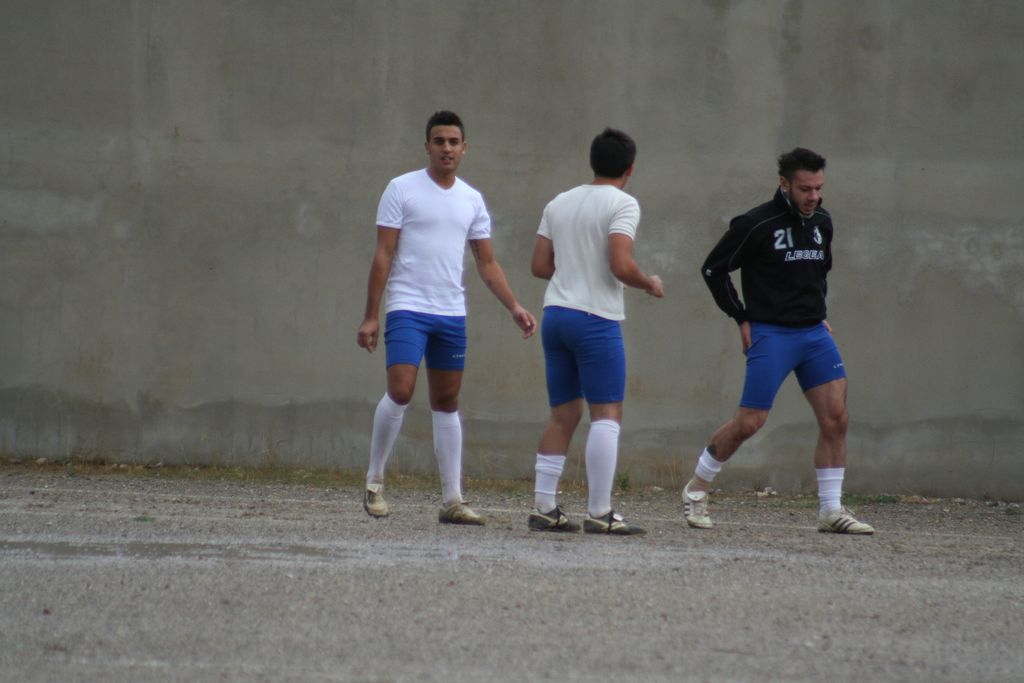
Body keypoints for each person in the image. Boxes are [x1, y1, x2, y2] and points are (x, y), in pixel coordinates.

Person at [356, 110, 537, 525]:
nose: (446, 149)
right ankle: (374, 481)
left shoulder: (471, 199)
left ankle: (452, 500)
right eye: (439, 141)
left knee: (447, 401)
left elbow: (487, 263)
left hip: (451, 312)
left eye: (454, 142)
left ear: (464, 148)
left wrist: (514, 306)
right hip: (407, 306)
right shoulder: (401, 188)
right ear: (427, 146)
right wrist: (370, 315)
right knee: (401, 390)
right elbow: (384, 253)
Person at [682, 147, 873, 535]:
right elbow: (713, 269)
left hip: (814, 334)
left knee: (836, 418)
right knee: (750, 423)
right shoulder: (756, 224)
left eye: (819, 188)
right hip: (771, 333)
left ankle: (830, 510)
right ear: (784, 184)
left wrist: (818, 311)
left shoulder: (822, 221)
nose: (814, 197)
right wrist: (741, 317)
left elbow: (819, 270)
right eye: (805, 189)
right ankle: (696, 489)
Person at [527, 128, 664, 536]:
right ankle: (600, 512)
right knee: (606, 414)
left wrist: (573, 270)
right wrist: (649, 282)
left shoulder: (559, 201)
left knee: (564, 413)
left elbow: (539, 265)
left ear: (592, 161)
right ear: (630, 168)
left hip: (556, 314)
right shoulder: (623, 203)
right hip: (595, 318)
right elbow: (621, 264)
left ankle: (544, 507)